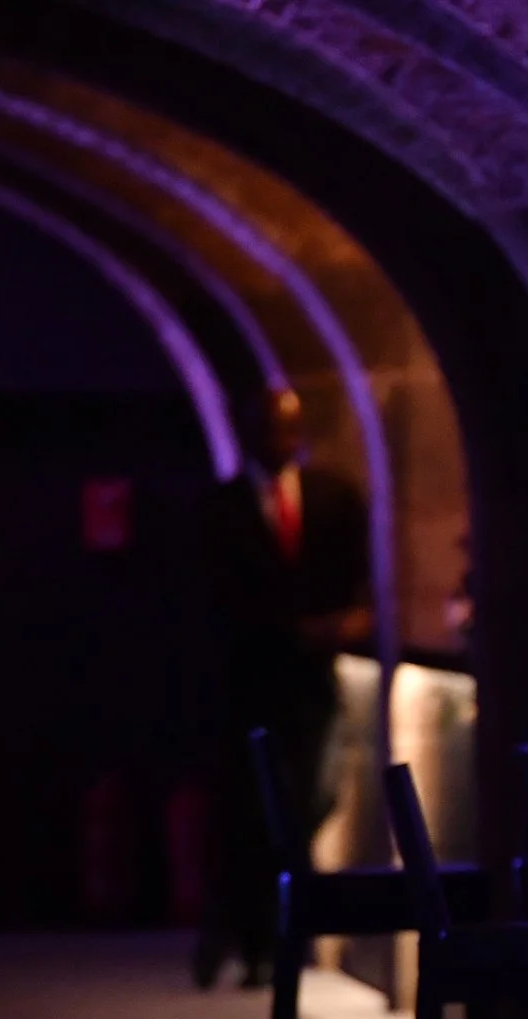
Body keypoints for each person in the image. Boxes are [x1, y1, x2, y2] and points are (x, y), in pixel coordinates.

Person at [192, 386, 373, 988]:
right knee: (249, 807)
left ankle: (257, 921)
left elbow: (357, 580)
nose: (278, 441)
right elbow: (213, 600)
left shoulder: (333, 498)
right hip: (246, 681)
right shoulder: (219, 510)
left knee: (312, 798)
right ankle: (254, 934)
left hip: (311, 682)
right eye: (268, 428)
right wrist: (288, 630)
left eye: (287, 428)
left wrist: (347, 622)